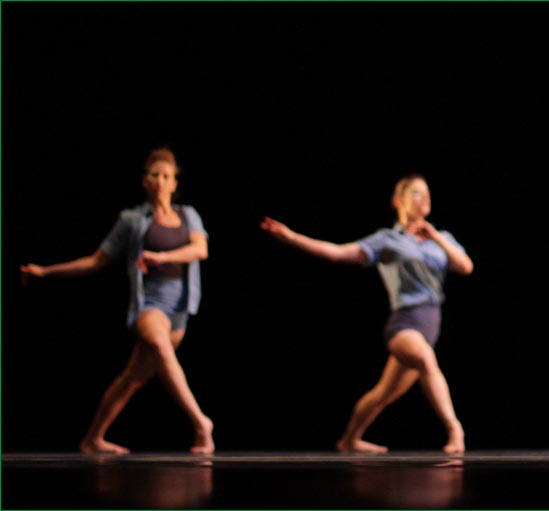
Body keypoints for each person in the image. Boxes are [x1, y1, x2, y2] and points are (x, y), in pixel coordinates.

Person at [21, 147, 214, 454]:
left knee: (133, 377)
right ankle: (201, 423)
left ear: (174, 183)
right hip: (149, 304)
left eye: (166, 176)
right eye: (154, 175)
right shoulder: (132, 220)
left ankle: (92, 438)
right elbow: (95, 261)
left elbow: (200, 250)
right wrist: (46, 271)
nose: (160, 181)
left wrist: (161, 257)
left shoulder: (188, 216)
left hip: (181, 307)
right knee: (160, 345)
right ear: (145, 181)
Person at [260, 174, 473, 453]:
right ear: (399, 201)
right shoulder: (388, 239)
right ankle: (455, 429)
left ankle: (349, 440)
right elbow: (338, 252)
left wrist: (434, 237)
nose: (425, 198)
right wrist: (292, 238)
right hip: (405, 323)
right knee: (425, 359)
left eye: (427, 193)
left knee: (384, 393)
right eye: (416, 193)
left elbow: (465, 266)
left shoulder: (442, 238)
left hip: (431, 323)